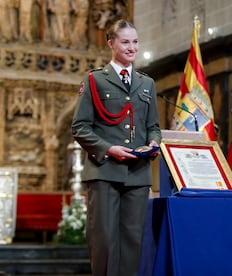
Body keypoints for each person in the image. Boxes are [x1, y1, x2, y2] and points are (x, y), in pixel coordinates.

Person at [72, 19, 161, 276]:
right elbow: (80, 127)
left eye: (135, 41)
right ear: (111, 43)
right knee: (104, 241)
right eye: (125, 42)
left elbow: (153, 126)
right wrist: (109, 149)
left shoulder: (147, 84)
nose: (132, 47)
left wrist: (154, 142)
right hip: (105, 171)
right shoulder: (94, 80)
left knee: (132, 242)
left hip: (137, 173)